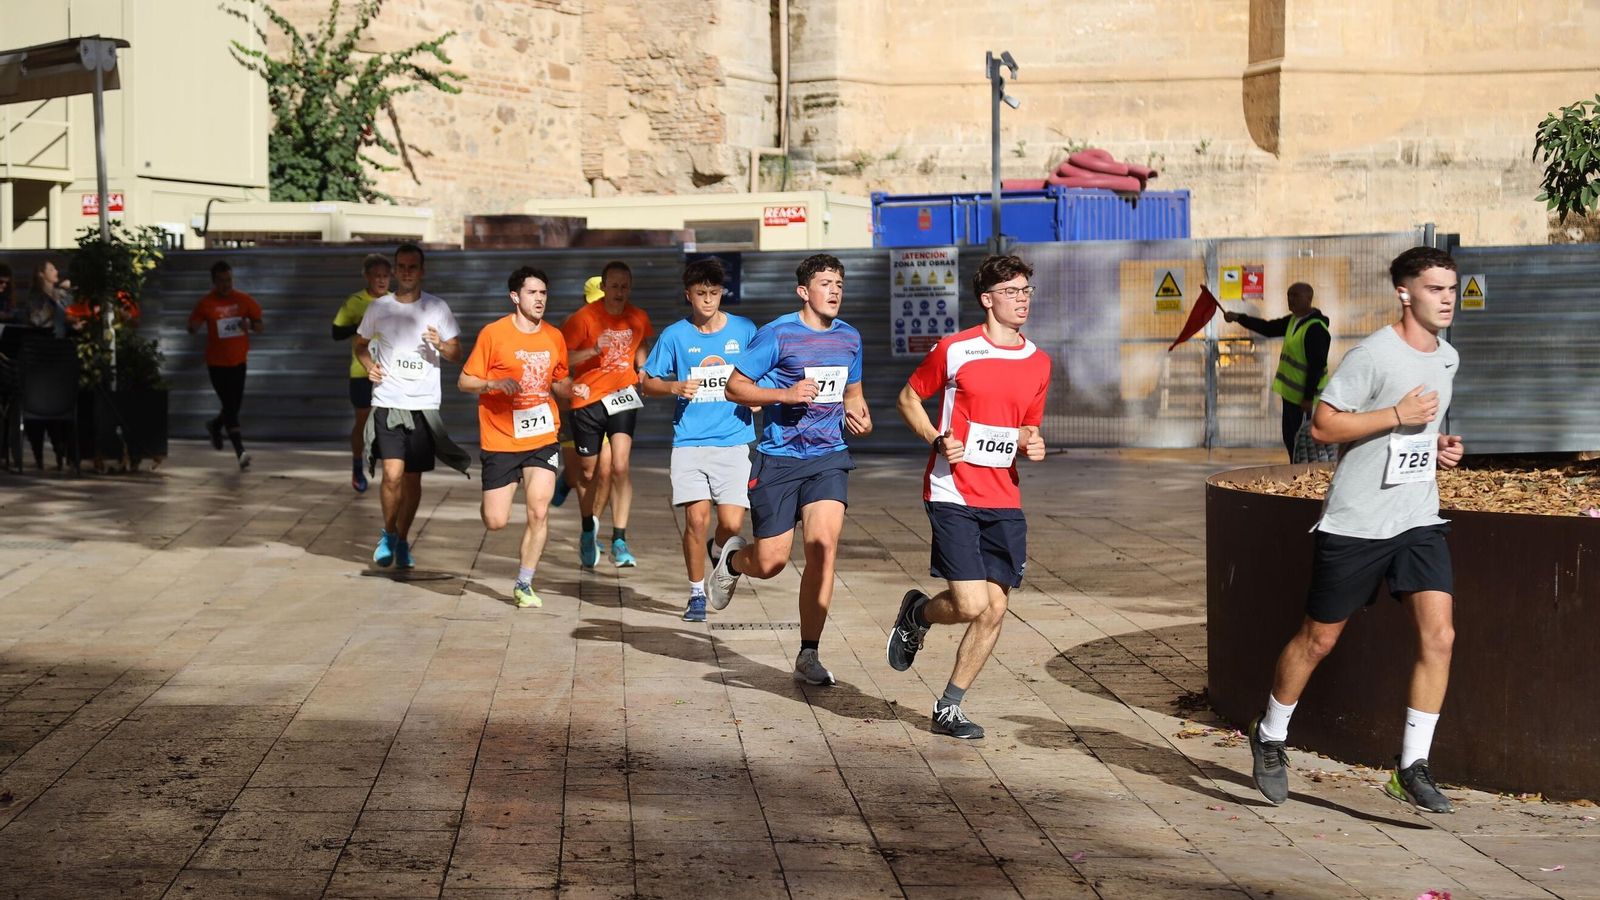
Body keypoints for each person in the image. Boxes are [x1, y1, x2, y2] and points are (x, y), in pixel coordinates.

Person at [1247, 247, 1464, 814]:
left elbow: (1416, 431)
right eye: (1435, 288)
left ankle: (1412, 766)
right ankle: (1270, 736)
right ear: (1404, 293)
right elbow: (1322, 425)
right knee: (1319, 638)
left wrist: (1437, 445)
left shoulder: (1447, 358)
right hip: (1358, 522)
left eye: (1451, 288)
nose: (1447, 298)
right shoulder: (1372, 354)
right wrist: (1396, 416)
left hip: (1417, 516)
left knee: (1440, 636)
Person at [886, 254, 1052, 740]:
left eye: (1026, 291)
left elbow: (1027, 425)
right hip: (952, 489)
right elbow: (907, 398)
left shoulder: (1039, 360)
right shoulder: (955, 349)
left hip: (1005, 498)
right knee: (970, 602)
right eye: (1012, 291)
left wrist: (1031, 441)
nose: (1022, 299)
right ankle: (919, 614)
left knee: (995, 608)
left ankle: (949, 706)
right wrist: (937, 438)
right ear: (987, 299)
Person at [706, 254, 872, 685]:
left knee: (823, 545)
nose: (834, 290)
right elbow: (734, 387)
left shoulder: (850, 338)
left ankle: (809, 653)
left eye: (839, 283)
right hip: (779, 459)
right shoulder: (778, 334)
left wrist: (861, 416)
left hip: (828, 456)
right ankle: (734, 563)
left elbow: (853, 393)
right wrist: (786, 394)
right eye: (825, 283)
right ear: (804, 291)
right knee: (772, 561)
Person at [640, 258, 758, 623]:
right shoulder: (675, 335)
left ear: (722, 293)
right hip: (689, 441)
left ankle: (718, 549)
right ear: (687, 295)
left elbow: (765, 372)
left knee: (733, 524)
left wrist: (757, 395)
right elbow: (647, 381)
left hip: (735, 440)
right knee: (696, 518)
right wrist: (673, 386)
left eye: (714, 293)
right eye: (700, 294)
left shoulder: (746, 330)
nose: (708, 300)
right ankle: (695, 594)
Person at [459, 266, 571, 608]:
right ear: (515, 297)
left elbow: (559, 381)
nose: (539, 299)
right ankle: (499, 494)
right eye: (532, 293)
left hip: (542, 437)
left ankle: (524, 583)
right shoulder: (493, 334)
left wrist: (574, 388)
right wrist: (491, 383)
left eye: (543, 293)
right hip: (500, 440)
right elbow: (465, 381)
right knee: (496, 521)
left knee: (539, 509)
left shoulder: (554, 336)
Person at [354, 243, 467, 569]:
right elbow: (360, 344)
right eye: (400, 267)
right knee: (392, 475)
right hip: (388, 401)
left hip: (424, 406)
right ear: (394, 270)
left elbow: (457, 353)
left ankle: (403, 538)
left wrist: (440, 344)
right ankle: (388, 533)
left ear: (422, 271)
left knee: (413, 482)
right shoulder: (379, 308)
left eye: (412, 267)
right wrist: (367, 365)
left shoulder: (437, 308)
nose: (405, 272)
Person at [561, 261, 653, 568]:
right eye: (614, 286)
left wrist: (643, 369)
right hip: (588, 400)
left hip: (622, 395)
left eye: (624, 286)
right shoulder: (584, 318)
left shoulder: (638, 316)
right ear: (604, 287)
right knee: (589, 473)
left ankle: (619, 539)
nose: (620, 292)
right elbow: (561, 358)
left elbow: (642, 345)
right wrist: (591, 351)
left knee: (620, 466)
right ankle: (588, 529)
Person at [1223, 283, 1329, 459]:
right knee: (1291, 439)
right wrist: (1238, 317)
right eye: (1289, 295)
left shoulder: (1315, 329)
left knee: (1304, 443)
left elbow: (1316, 366)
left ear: (1308, 299)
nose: (1291, 299)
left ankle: (1305, 477)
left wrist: (1308, 397)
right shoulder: (1293, 321)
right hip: (1290, 396)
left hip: (1306, 400)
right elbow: (1267, 328)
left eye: (1295, 295)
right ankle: (1296, 473)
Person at [187, 260, 263, 470]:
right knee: (230, 407)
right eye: (221, 281)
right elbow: (192, 326)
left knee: (233, 406)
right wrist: (193, 327)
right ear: (213, 282)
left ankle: (215, 425)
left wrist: (249, 324)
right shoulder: (206, 303)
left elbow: (259, 326)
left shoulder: (244, 300)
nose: (225, 285)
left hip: (239, 361)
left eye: (228, 280)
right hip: (216, 363)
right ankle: (241, 451)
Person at [332, 254, 393, 493]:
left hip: (390, 372)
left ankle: (389, 465)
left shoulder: (396, 302)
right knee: (363, 420)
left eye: (385, 276)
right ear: (366, 277)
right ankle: (357, 465)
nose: (381, 281)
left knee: (387, 422)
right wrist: (361, 325)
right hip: (362, 371)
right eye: (376, 276)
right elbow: (335, 333)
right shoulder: (355, 301)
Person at [553, 275, 608, 510]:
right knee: (579, 474)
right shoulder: (571, 323)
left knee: (605, 471)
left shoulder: (621, 324)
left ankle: (592, 530)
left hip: (604, 404)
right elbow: (557, 365)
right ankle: (566, 482)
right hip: (574, 405)